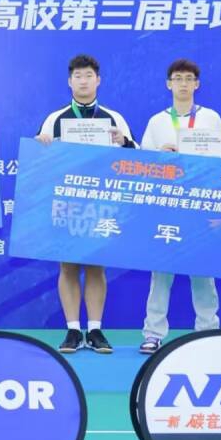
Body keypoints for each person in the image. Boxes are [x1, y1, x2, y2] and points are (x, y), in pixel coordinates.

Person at [35, 54, 136, 354]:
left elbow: (137, 158)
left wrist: (124, 143)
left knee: (95, 265)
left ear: (98, 80)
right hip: (67, 202)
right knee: (67, 266)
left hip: (101, 202)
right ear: (69, 82)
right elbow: (38, 163)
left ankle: (94, 330)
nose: (83, 81)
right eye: (78, 76)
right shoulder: (55, 119)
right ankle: (72, 330)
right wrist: (42, 146)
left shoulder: (114, 119)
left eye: (88, 75)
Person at [137, 59, 221, 354]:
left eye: (188, 78)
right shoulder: (157, 122)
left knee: (203, 272)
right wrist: (159, 155)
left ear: (197, 84)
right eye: (177, 78)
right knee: (160, 273)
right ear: (168, 84)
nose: (183, 83)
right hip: (167, 206)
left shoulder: (211, 119)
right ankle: (153, 333)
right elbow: (142, 164)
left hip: (201, 205)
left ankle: (207, 331)